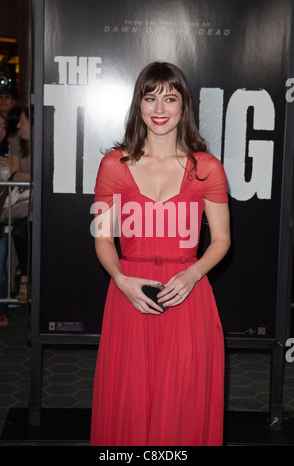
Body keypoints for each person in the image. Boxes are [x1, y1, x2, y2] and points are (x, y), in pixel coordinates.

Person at [90, 62, 230, 446]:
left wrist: (192, 274)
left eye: (170, 98)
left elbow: (221, 240)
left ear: (184, 106)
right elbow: (102, 238)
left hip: (187, 296)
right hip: (129, 296)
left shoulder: (207, 168)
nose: (160, 108)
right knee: (129, 406)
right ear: (139, 105)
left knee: (183, 405)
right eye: (150, 98)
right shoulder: (113, 165)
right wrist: (120, 279)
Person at [11, 106, 31, 303]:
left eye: (23, 121)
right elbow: (15, 174)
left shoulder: (45, 140)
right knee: (20, 231)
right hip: (23, 205)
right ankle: (25, 280)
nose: (18, 126)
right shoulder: (17, 143)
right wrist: (37, 178)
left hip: (40, 206)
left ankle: (27, 282)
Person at [0, 112, 11, 326]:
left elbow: (6, 186)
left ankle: (1, 310)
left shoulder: (9, 153)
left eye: (3, 126)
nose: (0, 129)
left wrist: (8, 169)